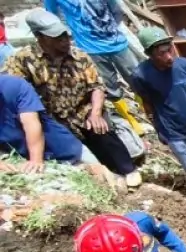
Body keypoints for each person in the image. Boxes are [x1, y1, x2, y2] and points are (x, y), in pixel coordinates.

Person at [4, 9, 140, 184]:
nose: (64, 41)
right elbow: (16, 95)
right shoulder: (22, 60)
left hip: (83, 112)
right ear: (40, 37)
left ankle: (127, 170)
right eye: (57, 38)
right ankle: (98, 178)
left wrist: (96, 113)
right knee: (68, 152)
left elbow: (96, 86)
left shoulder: (79, 56)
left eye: (65, 36)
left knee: (102, 131)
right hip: (52, 119)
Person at [131, 27, 186, 206]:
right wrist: (158, 128)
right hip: (173, 131)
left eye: (169, 50)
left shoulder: (184, 65)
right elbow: (147, 104)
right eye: (161, 54)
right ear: (150, 54)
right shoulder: (141, 76)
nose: (169, 56)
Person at [44, 0, 144, 135]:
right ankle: (132, 121)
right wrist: (69, 33)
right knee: (109, 86)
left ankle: (148, 109)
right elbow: (51, 16)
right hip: (90, 48)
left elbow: (115, 9)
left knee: (138, 77)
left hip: (116, 41)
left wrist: (111, 29)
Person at [0, 74, 95, 172]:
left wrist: (36, 160)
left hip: (67, 152)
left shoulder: (15, 86)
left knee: (102, 177)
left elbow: (31, 123)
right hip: (21, 156)